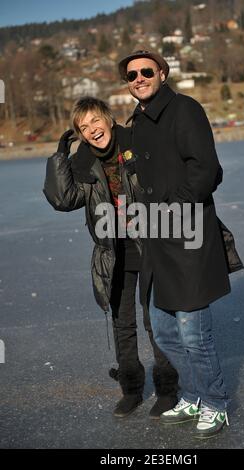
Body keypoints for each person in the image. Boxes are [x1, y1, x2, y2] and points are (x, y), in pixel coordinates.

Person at [118, 50, 243, 438]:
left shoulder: (185, 109)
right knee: (165, 330)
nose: (138, 78)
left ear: (162, 73)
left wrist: (171, 209)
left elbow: (206, 169)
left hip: (187, 237)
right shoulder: (136, 121)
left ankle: (216, 403)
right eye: (131, 74)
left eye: (145, 71)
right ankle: (192, 395)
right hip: (158, 242)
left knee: (194, 333)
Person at [43, 96, 178, 420]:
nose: (92, 130)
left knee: (156, 322)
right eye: (83, 127)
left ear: (108, 119)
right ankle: (131, 390)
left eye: (95, 121)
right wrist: (60, 157)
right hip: (113, 253)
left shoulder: (135, 141)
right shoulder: (81, 160)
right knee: (123, 324)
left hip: (150, 245)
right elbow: (64, 199)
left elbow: (163, 178)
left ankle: (167, 389)